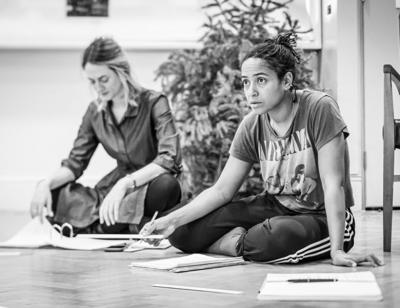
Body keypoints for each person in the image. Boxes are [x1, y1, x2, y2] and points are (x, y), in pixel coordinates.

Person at [140, 33, 383, 267]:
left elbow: (334, 185)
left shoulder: (319, 108)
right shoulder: (252, 123)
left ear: (286, 81)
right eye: (246, 82)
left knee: (272, 238)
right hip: (274, 205)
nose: (251, 91)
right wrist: (170, 220)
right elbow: (223, 190)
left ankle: (244, 241)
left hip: (320, 214)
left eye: (261, 80)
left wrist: (337, 250)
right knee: (181, 233)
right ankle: (244, 242)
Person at [30, 37, 182, 234]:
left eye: (103, 79)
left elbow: (169, 159)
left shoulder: (154, 102)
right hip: (112, 191)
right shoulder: (95, 112)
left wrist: (125, 183)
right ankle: (124, 224)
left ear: (121, 72)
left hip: (148, 185)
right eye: (92, 81)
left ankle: (98, 225)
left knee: (167, 186)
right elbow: (75, 163)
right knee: (52, 192)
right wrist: (45, 184)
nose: (98, 88)